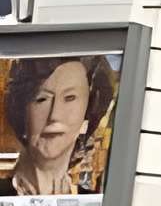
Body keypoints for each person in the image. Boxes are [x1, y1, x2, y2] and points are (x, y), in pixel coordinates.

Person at [0, 55, 116, 196]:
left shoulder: (97, 203)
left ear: (88, 113)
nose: (55, 115)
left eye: (70, 98)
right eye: (42, 99)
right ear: (22, 113)